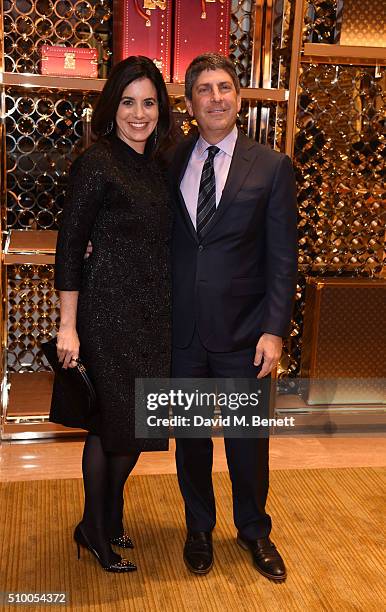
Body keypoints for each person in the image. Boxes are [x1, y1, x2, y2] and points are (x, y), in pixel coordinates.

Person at [169, 53, 298, 581]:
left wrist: (274, 329)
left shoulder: (270, 166)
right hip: (180, 333)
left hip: (245, 334)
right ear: (190, 102)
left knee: (247, 444)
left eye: (225, 87)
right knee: (190, 441)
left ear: (239, 98)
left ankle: (254, 531)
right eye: (204, 89)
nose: (216, 97)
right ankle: (198, 528)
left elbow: (282, 256)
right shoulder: (170, 159)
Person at [51, 56, 174, 573]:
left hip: (153, 320)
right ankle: (97, 531)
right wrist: (67, 326)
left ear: (160, 110)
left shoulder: (159, 165)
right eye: (128, 102)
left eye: (148, 102)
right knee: (110, 431)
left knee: (138, 430)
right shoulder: (97, 162)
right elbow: (70, 247)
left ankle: (101, 515)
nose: (138, 114)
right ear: (112, 107)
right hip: (105, 318)